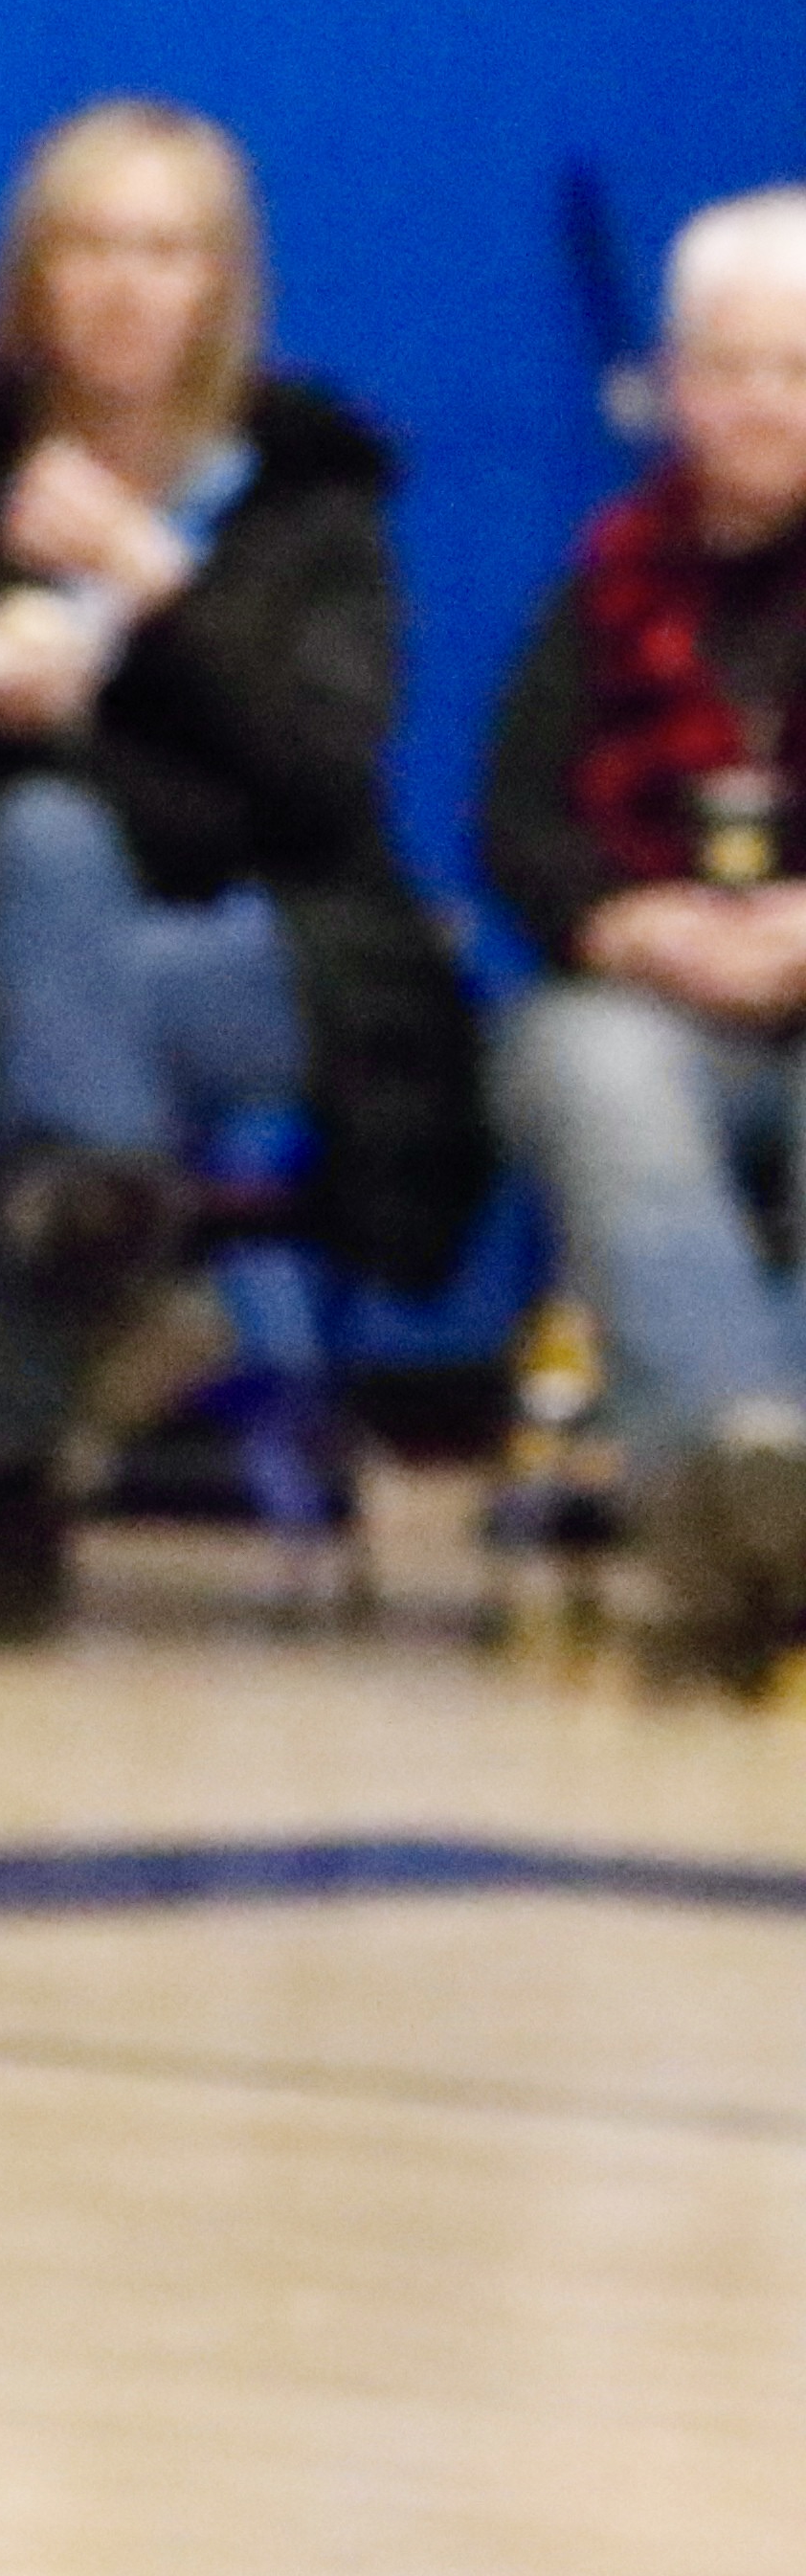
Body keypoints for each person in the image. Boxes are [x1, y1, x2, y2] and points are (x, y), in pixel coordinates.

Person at [0, 98, 481, 1644]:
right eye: (91, 246)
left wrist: (150, 592)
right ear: (33, 273)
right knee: (48, 877)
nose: (126, 285)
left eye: (164, 250)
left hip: (250, 960)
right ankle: (117, 1255)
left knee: (64, 1040)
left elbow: (319, 786)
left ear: (218, 281)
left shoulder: (312, 490)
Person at [482, 185, 806, 1690]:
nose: (761, 403)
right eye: (732, 366)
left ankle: (741, 1514)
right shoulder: (605, 584)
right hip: (643, 994)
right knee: (604, 1087)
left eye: (796, 368)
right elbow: (520, 822)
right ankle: (751, 1464)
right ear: (677, 387)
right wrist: (633, 925)